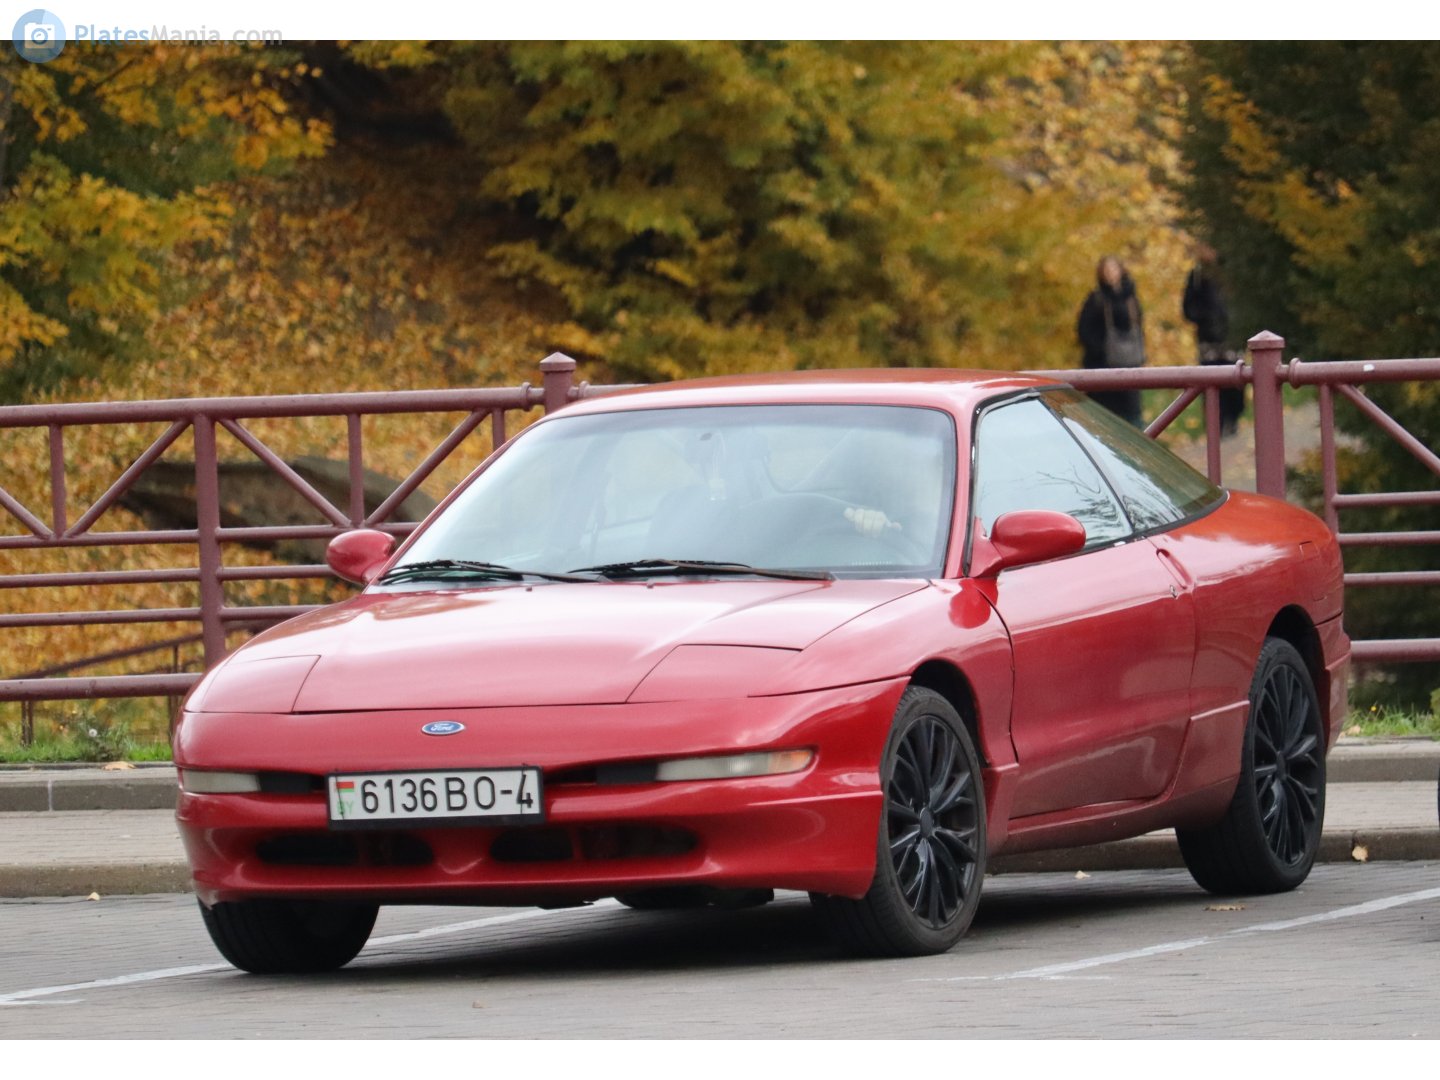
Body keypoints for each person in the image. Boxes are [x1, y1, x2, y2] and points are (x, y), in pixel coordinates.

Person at [1076, 255, 1146, 427]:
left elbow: (1139, 326)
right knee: (1103, 418)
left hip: (1129, 366)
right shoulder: (1096, 299)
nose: (1110, 274)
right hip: (1101, 368)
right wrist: (1101, 350)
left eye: (1113, 269)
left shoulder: (1131, 298)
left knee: (1133, 416)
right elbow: (1083, 330)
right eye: (1106, 270)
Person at [1183, 243, 1244, 436]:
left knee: (1235, 380)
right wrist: (1204, 317)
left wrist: (1233, 319)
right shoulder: (1197, 276)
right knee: (1210, 381)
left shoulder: (1233, 271)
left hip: (1231, 336)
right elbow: (1187, 307)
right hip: (1208, 338)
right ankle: (1215, 424)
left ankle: (1233, 418)